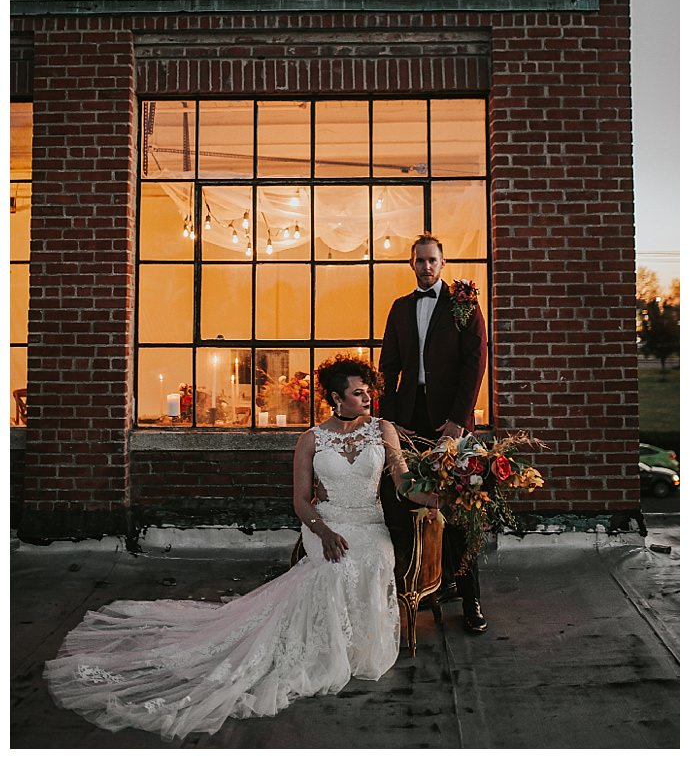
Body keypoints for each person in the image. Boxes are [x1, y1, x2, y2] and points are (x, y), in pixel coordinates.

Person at [43, 356, 437, 742]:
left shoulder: (383, 430)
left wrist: (440, 497)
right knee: (336, 565)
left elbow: (403, 485)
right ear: (336, 398)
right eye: (358, 393)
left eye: (368, 392)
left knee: (370, 557)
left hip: (370, 524)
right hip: (326, 523)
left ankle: (357, 648)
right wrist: (325, 531)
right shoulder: (310, 440)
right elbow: (301, 502)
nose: (367, 399)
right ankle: (323, 651)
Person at [379, 232, 489, 632]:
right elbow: (388, 365)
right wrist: (390, 419)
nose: (426, 266)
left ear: (443, 263)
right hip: (410, 420)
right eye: (419, 260)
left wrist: (459, 420)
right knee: (406, 502)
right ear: (411, 264)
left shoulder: (463, 303)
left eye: (432, 260)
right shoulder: (400, 308)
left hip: (450, 421)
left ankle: (471, 596)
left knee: (460, 510)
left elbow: (475, 362)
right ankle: (424, 585)